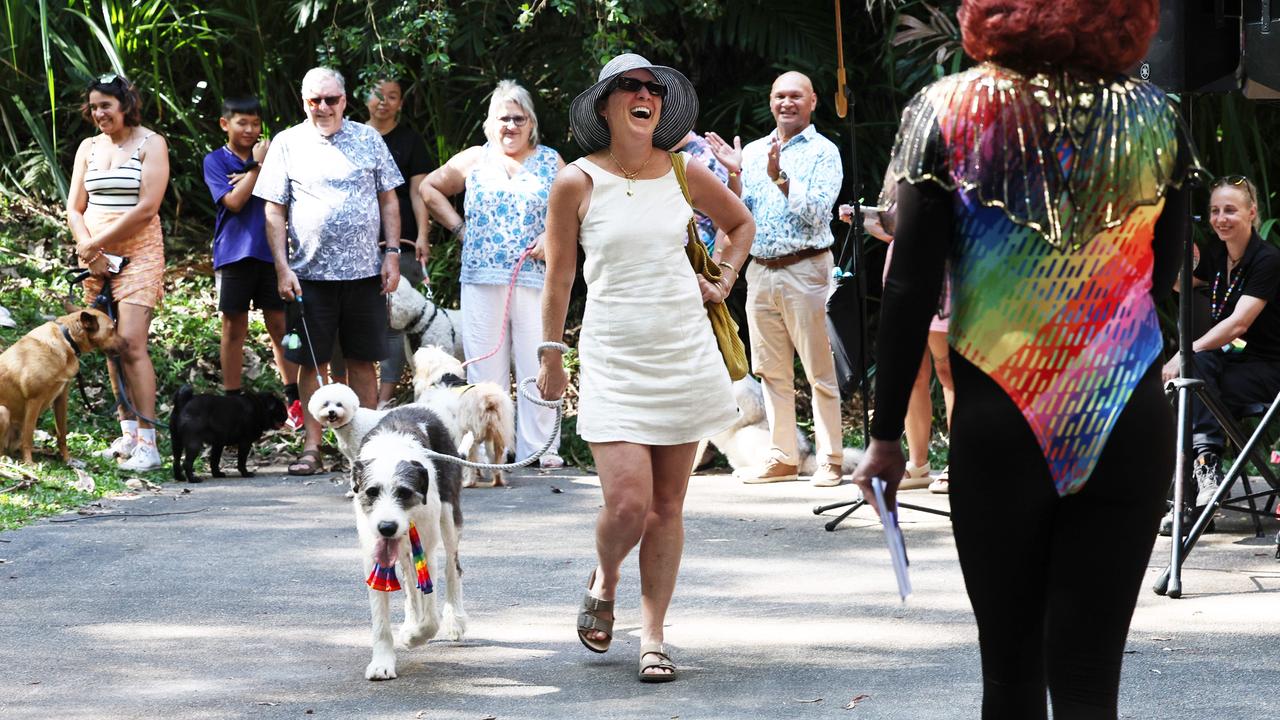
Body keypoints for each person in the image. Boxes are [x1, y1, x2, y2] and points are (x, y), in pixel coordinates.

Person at [851, 1, 1195, 716]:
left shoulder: (947, 107)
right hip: (1124, 413)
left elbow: (910, 284)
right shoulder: (1157, 114)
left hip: (1000, 420)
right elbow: (1163, 278)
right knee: (1090, 684)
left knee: (1009, 678)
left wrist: (886, 438)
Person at [537, 53, 754, 682]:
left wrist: (724, 280)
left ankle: (653, 635)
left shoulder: (685, 171)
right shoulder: (574, 181)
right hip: (613, 353)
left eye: (653, 89)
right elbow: (560, 276)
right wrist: (551, 356)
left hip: (683, 351)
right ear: (605, 105)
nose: (644, 95)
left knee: (668, 505)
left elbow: (740, 224)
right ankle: (605, 575)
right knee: (628, 504)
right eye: (629, 87)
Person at [253, 67, 404, 476]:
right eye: (314, 100)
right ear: (304, 102)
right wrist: (281, 267)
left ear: (344, 100)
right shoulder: (287, 142)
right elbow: (273, 209)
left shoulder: (368, 138)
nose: (323, 107)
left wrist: (391, 254)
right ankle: (312, 446)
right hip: (309, 275)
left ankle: (372, 449)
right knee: (312, 363)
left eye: (331, 99)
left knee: (362, 361)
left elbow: (389, 200)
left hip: (363, 274)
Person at [706, 71, 844, 487]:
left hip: (807, 270)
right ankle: (782, 456)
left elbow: (818, 213)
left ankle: (831, 459)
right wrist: (734, 175)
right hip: (761, 272)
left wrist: (780, 175)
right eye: (780, 96)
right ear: (770, 101)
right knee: (770, 371)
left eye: (796, 96)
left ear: (813, 101)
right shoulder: (751, 151)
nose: (787, 103)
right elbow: (737, 215)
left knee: (820, 370)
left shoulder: (825, 152)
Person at [419, 80, 566, 467]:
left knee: (536, 362)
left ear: (531, 122)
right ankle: (489, 447)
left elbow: (578, 208)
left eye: (519, 118)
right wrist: (458, 228)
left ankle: (542, 447)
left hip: (534, 276)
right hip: (482, 276)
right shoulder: (474, 159)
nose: (511, 126)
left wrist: (550, 235)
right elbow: (430, 189)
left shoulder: (551, 161)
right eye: (504, 118)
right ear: (490, 123)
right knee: (486, 369)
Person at [1160, 174, 1280, 534]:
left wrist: (1184, 352)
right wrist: (1171, 249)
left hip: (1269, 369)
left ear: (1252, 212)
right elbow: (1182, 283)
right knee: (1189, 381)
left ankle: (1195, 485)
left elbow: (1238, 325)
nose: (1220, 218)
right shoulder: (1216, 253)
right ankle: (1201, 479)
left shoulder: (1268, 260)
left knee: (1189, 381)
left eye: (1230, 210)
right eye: (1214, 211)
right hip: (1231, 365)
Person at [66, 73, 169, 472]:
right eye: (93, 107)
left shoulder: (150, 143)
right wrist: (87, 245)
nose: (99, 113)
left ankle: (149, 440)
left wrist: (98, 241)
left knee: (129, 342)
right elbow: (76, 206)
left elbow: (146, 207)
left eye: (106, 105)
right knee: (108, 343)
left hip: (138, 251)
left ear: (125, 105)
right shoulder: (89, 147)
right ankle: (126, 433)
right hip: (95, 254)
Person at [839, 188, 955, 493]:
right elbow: (894, 227)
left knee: (948, 372)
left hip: (944, 270)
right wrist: (863, 219)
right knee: (913, 373)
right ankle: (918, 465)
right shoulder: (903, 165)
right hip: (904, 272)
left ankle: (957, 462)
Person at [202, 96, 302, 429]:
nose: (249, 129)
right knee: (233, 328)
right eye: (241, 122)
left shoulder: (278, 158)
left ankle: (295, 401)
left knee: (280, 328)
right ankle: (231, 402)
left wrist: (256, 168)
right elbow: (233, 200)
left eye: (255, 123)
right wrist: (256, 168)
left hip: (272, 253)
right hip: (233, 253)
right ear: (224, 124)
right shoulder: (215, 161)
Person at [364, 79, 433, 407]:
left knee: (394, 324)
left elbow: (420, 193)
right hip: (356, 249)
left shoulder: (410, 141)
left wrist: (423, 234)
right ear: (364, 97)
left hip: (401, 244)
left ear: (401, 104)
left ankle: (383, 399)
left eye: (392, 96)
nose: (384, 102)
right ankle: (353, 398)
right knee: (355, 321)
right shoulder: (353, 137)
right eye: (378, 94)